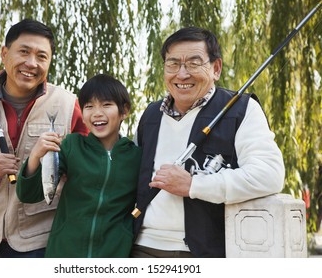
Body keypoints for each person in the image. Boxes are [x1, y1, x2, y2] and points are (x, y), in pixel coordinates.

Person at [131, 26, 285, 258]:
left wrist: (194, 185)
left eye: (194, 63)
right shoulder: (150, 115)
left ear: (216, 68)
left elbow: (268, 174)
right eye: (173, 64)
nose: (182, 74)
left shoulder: (241, 110)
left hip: (203, 252)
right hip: (140, 248)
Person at [0, 19, 89, 258]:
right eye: (23, 52)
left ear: (50, 61)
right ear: (4, 53)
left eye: (41, 56)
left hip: (38, 242)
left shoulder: (68, 104)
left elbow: (85, 166)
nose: (31, 63)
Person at [16, 73, 142, 257]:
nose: (97, 112)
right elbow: (29, 194)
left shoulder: (136, 156)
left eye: (106, 105)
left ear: (124, 111)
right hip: (64, 252)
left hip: (114, 253)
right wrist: (35, 156)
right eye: (89, 106)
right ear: (82, 115)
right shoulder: (71, 146)